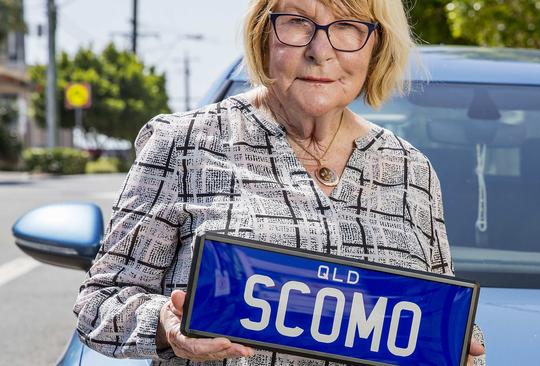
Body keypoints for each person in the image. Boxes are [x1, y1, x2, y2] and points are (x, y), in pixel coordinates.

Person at [73, 0, 487, 365]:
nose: (320, 51)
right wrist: (166, 325)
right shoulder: (184, 143)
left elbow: (436, 319)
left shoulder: (411, 168)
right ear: (264, 34)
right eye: (297, 22)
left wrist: (460, 349)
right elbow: (99, 307)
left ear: (376, 45)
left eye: (348, 26)